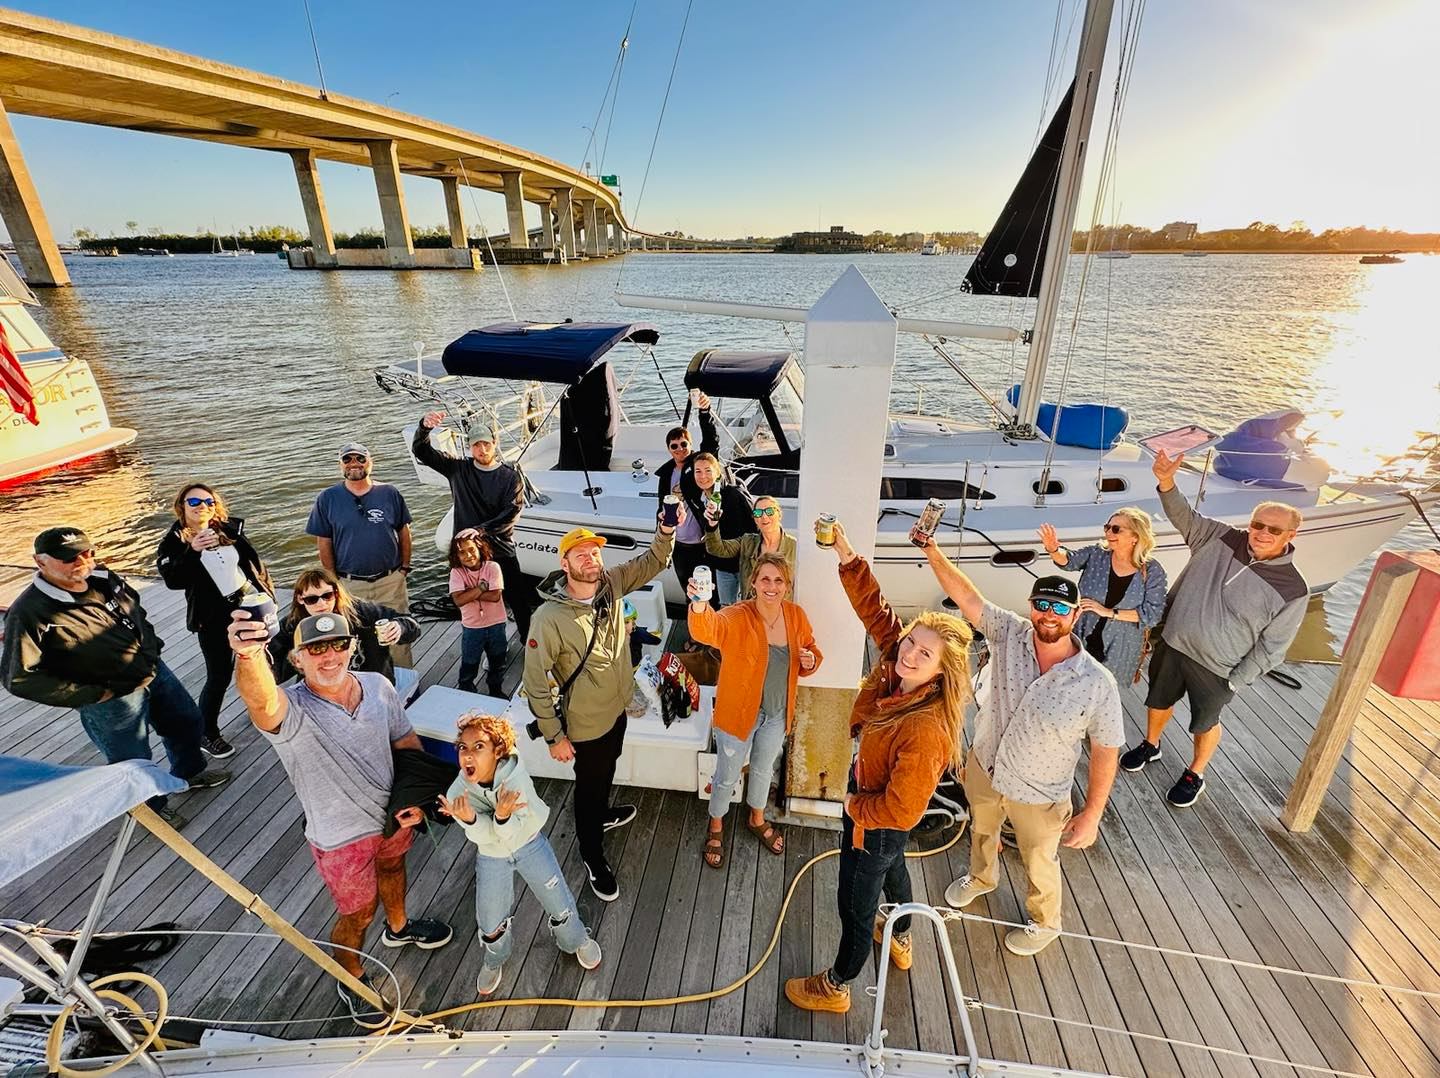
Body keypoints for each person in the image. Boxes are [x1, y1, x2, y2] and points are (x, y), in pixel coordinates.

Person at [784, 521, 973, 1015]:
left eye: (924, 653)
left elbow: (902, 809)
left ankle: (838, 984)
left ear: (941, 672)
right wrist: (847, 554)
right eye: (912, 642)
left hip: (876, 817)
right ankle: (902, 934)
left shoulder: (926, 727)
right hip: (876, 808)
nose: (909, 652)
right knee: (894, 870)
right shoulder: (900, 663)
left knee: (854, 904)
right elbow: (877, 611)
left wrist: (852, 804)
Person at [228, 609, 452, 1023]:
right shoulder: (290, 708)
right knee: (358, 913)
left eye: (338, 645)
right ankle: (349, 975)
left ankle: (400, 929)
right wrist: (247, 655)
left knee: (394, 868)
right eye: (315, 648)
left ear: (352, 647)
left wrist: (417, 800)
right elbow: (260, 699)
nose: (328, 656)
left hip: (392, 820)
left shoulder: (379, 686)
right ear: (297, 660)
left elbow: (404, 739)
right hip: (339, 840)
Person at [918, 534, 1123, 958]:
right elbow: (968, 597)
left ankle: (1046, 922)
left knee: (1039, 861)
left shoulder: (1097, 683)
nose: (1049, 615)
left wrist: (1092, 814)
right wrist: (932, 553)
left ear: (1075, 613)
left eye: (1060, 607)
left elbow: (1106, 750)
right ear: (1031, 607)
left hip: (1040, 795)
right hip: (986, 768)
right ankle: (980, 877)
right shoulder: (1008, 633)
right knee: (981, 829)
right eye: (1042, 605)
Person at [2, 527, 230, 829]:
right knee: (132, 759)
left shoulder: (104, 577)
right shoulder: (29, 612)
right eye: (69, 558)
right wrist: (88, 695)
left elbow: (135, 610)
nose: (81, 561)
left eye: (86, 553)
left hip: (153, 672)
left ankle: (189, 771)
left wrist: (151, 649)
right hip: (109, 699)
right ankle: (151, 809)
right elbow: (19, 677)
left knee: (187, 723)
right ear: (40, 562)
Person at [1120, 450, 1308, 807]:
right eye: (1258, 524)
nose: (1262, 533)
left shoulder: (1293, 589)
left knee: (1204, 723)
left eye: (1274, 529)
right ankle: (1151, 744)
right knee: (1157, 702)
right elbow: (1183, 516)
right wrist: (1165, 481)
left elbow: (1273, 647)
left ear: (1291, 534)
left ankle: (1196, 772)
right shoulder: (1219, 537)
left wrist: (1236, 680)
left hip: (1218, 669)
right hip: (1174, 644)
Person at [522, 518, 678, 903]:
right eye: (581, 554)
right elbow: (536, 684)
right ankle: (592, 854)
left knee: (608, 766)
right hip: (585, 725)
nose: (591, 559)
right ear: (565, 564)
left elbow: (654, 560)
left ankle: (603, 815)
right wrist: (555, 736)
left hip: (617, 710)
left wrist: (666, 531)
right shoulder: (547, 619)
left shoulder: (611, 585)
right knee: (589, 788)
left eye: (595, 552)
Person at [438, 713, 602, 997]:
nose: (468, 755)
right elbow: (487, 838)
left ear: (498, 751)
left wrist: (496, 818)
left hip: (529, 843)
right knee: (489, 920)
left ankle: (575, 940)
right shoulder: (458, 792)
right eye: (463, 748)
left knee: (558, 900)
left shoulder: (516, 777)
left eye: (479, 746)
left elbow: (510, 832)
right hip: (491, 855)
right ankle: (495, 959)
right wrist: (472, 820)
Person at [687, 553, 822, 869]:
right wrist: (697, 605)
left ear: (787, 586)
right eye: (765, 579)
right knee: (726, 775)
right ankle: (716, 824)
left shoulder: (796, 616)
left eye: (779, 580)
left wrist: (812, 660)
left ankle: (756, 817)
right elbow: (709, 629)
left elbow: (811, 648)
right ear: (753, 583)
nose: (772, 586)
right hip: (737, 715)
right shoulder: (737, 615)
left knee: (763, 769)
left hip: (777, 714)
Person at [156, 482, 274, 759]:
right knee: (219, 675)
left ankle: (265, 713)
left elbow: (254, 565)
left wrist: (268, 596)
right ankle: (206, 733)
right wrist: (192, 550)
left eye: (208, 502)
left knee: (262, 662)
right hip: (212, 617)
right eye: (194, 502)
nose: (203, 507)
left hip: (247, 605)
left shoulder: (228, 529)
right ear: (182, 506)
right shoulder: (174, 541)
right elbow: (173, 579)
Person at [413, 411, 535, 640]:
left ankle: (528, 639)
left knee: (518, 598)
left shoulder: (510, 477)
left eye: (486, 444)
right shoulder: (457, 469)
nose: (482, 449)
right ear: (470, 447)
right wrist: (424, 428)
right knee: (472, 599)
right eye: (476, 445)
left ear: (494, 444)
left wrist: (481, 530)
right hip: (467, 552)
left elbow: (512, 513)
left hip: (500, 547)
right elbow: (422, 451)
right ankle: (486, 642)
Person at [306, 441, 415, 668]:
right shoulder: (327, 499)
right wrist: (332, 580)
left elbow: (403, 531)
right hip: (349, 585)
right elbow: (324, 541)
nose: (354, 464)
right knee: (356, 638)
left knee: (398, 638)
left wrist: (404, 568)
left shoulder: (390, 493)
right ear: (341, 465)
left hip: (390, 582)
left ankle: (406, 688)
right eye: (347, 459)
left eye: (360, 458)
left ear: (370, 462)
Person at [1038, 507, 1168, 686]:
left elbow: (1152, 615)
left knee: (1103, 697)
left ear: (1135, 536)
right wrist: (1053, 549)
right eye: (1107, 527)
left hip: (1120, 648)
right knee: (1067, 688)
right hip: (1081, 637)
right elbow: (1069, 560)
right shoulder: (1097, 554)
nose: (1109, 533)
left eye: (1116, 529)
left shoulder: (1153, 571)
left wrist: (1108, 612)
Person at [268, 569, 420, 690]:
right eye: (312, 599)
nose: (321, 604)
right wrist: (299, 656)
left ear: (336, 593)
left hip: (369, 686)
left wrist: (400, 627)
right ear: (300, 599)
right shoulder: (293, 626)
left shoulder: (359, 612)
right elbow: (273, 670)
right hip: (321, 690)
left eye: (327, 596)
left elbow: (411, 623)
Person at [654, 393, 718, 600]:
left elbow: (711, 442)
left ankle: (711, 627)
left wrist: (704, 412)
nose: (680, 449)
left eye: (684, 444)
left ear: (690, 445)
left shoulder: (697, 465)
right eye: (674, 446)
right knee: (689, 593)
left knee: (709, 593)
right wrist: (663, 544)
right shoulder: (665, 475)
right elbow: (660, 509)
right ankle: (695, 627)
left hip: (703, 545)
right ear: (669, 450)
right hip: (679, 547)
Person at [449, 529, 507, 697]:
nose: (468, 555)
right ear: (456, 556)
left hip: (496, 624)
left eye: (471, 550)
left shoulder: (493, 567)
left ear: (480, 548)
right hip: (472, 627)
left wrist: (469, 592)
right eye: (462, 552)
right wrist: (482, 587)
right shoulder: (456, 572)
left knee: (498, 660)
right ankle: (466, 689)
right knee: (469, 662)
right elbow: (458, 601)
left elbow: (496, 596)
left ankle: (495, 689)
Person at [704, 495, 797, 600]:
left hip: (780, 610)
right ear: (755, 520)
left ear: (779, 514)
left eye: (769, 511)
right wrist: (712, 524)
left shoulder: (795, 546)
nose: (764, 517)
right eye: (758, 513)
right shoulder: (747, 542)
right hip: (751, 610)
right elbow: (716, 548)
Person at [694, 451, 755, 606]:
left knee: (749, 607)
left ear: (717, 473)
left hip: (745, 564)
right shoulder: (701, 499)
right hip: (722, 565)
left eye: (708, 471)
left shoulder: (734, 494)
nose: (703, 476)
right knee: (726, 608)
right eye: (698, 471)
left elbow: (754, 527)